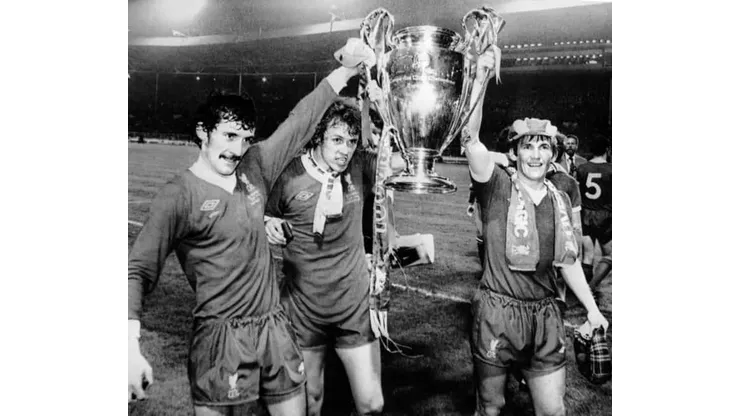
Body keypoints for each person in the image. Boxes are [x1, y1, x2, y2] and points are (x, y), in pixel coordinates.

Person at [128, 39, 370, 416]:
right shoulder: (178, 196)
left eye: (245, 138)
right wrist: (127, 345)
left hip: (274, 329)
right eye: (229, 136)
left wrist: (347, 70)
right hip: (221, 337)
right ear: (203, 132)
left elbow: (301, 120)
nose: (237, 149)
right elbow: (139, 270)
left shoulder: (255, 165)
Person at [462, 51, 609, 416]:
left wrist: (592, 310)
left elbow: (568, 262)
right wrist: (480, 79)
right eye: (527, 145)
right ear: (514, 152)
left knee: (553, 411)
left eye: (543, 146)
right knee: (491, 407)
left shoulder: (560, 197)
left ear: (552, 154)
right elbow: (470, 138)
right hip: (498, 312)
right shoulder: (496, 185)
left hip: (545, 315)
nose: (535, 154)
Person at [263, 93, 405, 416]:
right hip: (303, 307)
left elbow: (407, 162)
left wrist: (383, 107)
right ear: (318, 136)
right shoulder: (289, 175)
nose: (345, 150)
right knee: (311, 402)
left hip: (352, 304)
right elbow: (260, 213)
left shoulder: (359, 165)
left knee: (372, 404)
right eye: (337, 140)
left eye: (352, 141)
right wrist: (268, 223)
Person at [575, 133, 612, 295]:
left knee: (587, 256)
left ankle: (582, 292)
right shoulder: (612, 169)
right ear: (607, 150)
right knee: (611, 255)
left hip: (586, 215)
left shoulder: (582, 168)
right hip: (605, 216)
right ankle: (591, 287)